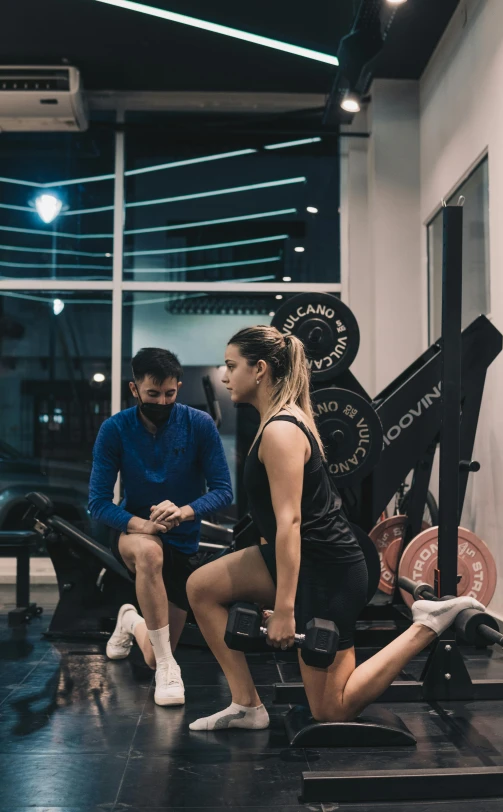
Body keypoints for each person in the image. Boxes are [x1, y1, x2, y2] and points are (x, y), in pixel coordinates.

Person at [185, 326, 484, 730]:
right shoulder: (275, 421)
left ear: (258, 370)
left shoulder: (281, 431)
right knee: (201, 587)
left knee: (332, 710)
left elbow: (290, 523)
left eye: (231, 365)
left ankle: (429, 624)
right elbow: (277, 524)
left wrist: (286, 612)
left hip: (328, 571)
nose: (224, 376)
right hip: (301, 559)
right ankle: (246, 706)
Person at [88, 347, 233, 706]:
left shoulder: (198, 425)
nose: (162, 401)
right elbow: (98, 503)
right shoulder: (115, 430)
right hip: (134, 536)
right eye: (153, 394)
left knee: (150, 650)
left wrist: (183, 512)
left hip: (183, 543)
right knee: (150, 554)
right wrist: (142, 525)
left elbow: (224, 491)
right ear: (135, 389)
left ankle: (129, 621)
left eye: (170, 394)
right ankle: (169, 667)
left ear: (178, 387)